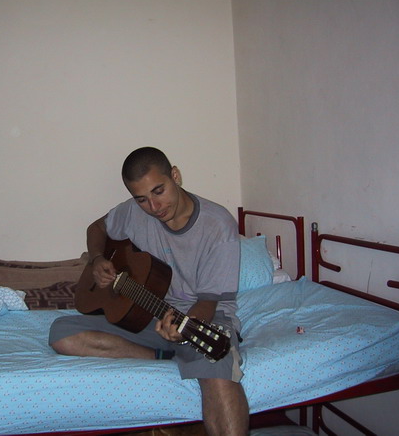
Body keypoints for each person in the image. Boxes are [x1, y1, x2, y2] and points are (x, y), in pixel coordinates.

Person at [49, 147, 249, 435]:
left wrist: (185, 328)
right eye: (141, 199)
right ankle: (162, 355)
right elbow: (97, 228)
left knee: (217, 367)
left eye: (159, 191)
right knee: (62, 333)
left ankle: (184, 351)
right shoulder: (133, 213)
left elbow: (208, 301)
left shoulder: (218, 224)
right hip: (148, 314)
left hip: (204, 318)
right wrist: (97, 259)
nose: (154, 206)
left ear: (175, 176)